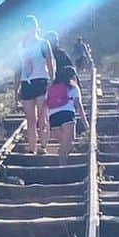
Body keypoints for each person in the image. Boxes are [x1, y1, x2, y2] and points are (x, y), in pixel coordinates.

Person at [14, 15, 55, 155]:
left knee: (42, 117)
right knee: (31, 119)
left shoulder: (43, 43)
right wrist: (16, 90)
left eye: (31, 26)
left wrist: (52, 80)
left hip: (42, 81)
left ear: (36, 27)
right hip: (27, 83)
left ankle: (43, 147)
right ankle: (32, 148)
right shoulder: (20, 46)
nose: (29, 29)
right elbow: (18, 69)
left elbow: (50, 62)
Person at [46, 64, 89, 164]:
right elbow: (78, 106)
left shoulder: (51, 88)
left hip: (53, 118)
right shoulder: (73, 87)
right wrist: (85, 123)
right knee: (68, 143)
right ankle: (61, 167)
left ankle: (61, 163)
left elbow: (46, 104)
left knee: (64, 145)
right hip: (67, 115)